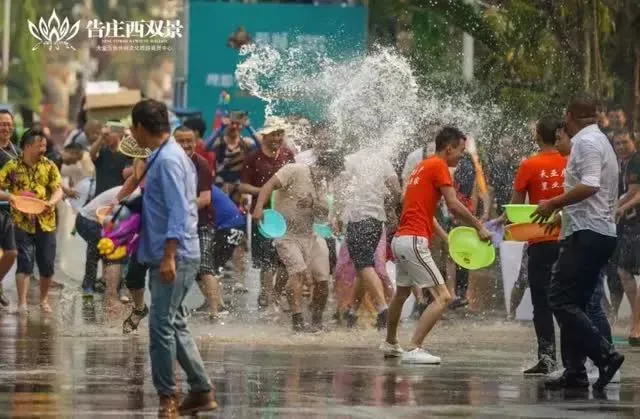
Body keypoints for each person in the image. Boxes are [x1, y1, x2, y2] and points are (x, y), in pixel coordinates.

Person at [130, 99, 216, 415]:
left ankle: (167, 396)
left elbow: (179, 210)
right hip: (174, 251)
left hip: (175, 255)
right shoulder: (164, 156)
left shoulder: (167, 160)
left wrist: (168, 255)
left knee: (161, 326)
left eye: (132, 126)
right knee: (174, 322)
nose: (131, 131)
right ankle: (201, 390)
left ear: (140, 127)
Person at [533, 94, 623, 390]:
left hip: (588, 234)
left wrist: (554, 203)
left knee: (559, 298)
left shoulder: (585, 142)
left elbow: (591, 184)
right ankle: (575, 372)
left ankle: (605, 356)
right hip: (596, 230)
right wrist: (563, 216)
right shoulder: (600, 140)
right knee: (578, 302)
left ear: (570, 116)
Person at [381, 126, 491, 364]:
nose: (462, 156)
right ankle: (416, 347)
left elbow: (426, 212)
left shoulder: (422, 167)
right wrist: (478, 226)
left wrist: (446, 237)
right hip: (413, 241)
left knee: (401, 294)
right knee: (443, 297)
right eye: (460, 150)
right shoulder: (439, 167)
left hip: (401, 240)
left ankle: (390, 342)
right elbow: (452, 204)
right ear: (448, 147)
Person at [253, 149, 344, 332]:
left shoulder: (323, 187)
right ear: (321, 166)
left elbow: (323, 215)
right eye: (329, 173)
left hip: (311, 236)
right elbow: (268, 186)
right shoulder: (294, 170)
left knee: (323, 280)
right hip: (286, 235)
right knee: (299, 272)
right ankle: (297, 320)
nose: (327, 178)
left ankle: (317, 322)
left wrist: (313, 204)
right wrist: (258, 208)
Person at [503, 115, 567, 374]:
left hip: (540, 240)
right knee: (567, 300)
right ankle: (575, 359)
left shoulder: (529, 164)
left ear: (538, 136)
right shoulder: (570, 160)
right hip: (568, 239)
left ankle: (547, 358)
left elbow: (514, 207)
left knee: (542, 302)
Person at [337, 146, 402, 329]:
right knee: (362, 267)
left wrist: (337, 215)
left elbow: (341, 189)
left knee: (364, 265)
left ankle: (383, 311)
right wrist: (386, 207)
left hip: (357, 219)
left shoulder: (351, 160)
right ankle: (352, 313)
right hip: (376, 220)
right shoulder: (384, 161)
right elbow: (397, 192)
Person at [0, 128, 63, 314]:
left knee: (47, 264)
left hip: (46, 221)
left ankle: (43, 300)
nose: (43, 149)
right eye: (39, 146)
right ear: (27, 147)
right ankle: (22, 304)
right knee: (24, 262)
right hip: (21, 222)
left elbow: (58, 189)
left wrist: (51, 202)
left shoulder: (49, 165)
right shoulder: (12, 166)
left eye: (44, 145)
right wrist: (10, 197)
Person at [240, 120, 295, 309]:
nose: (278, 138)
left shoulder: (288, 156)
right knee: (266, 259)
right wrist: (263, 191)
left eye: (281, 134)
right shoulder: (253, 158)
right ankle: (265, 294)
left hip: (284, 214)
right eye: (274, 134)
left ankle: (277, 295)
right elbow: (242, 186)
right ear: (264, 136)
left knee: (285, 257)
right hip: (262, 214)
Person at [174, 125, 224, 320]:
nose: (186, 145)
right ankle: (178, 309)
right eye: (181, 141)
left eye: (189, 141)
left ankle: (215, 312)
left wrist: (180, 206)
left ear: (195, 142)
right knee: (181, 266)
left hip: (201, 223)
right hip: (179, 225)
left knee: (204, 267)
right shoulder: (171, 163)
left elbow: (205, 199)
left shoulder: (201, 164)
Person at [613, 130, 640, 346]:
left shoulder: (636, 160)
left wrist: (618, 207)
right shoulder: (623, 163)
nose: (621, 146)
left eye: (625, 141)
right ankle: (634, 321)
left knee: (625, 271)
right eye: (617, 143)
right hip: (628, 225)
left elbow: (636, 191)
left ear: (634, 141)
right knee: (622, 272)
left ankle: (636, 324)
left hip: (635, 225)